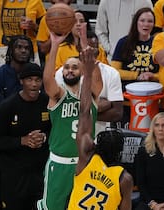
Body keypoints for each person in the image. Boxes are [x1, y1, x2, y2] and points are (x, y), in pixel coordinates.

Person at [37, 30, 101, 209]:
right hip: (60, 163)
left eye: (75, 67)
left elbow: (95, 77)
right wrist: (55, 45)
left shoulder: (91, 95)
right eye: (67, 67)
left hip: (86, 164)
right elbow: (47, 79)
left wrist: (85, 48)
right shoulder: (58, 95)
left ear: (82, 71)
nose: (70, 70)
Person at [67, 44, 133, 210]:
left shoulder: (85, 160)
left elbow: (84, 112)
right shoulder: (124, 178)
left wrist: (87, 75)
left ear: (95, 146)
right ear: (120, 152)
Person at [0, 63, 51, 210]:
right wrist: (21, 141)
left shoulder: (47, 102)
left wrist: (44, 137)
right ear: (21, 81)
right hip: (14, 173)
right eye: (29, 80)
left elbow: (56, 130)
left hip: (40, 171)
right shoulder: (7, 106)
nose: (34, 84)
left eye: (38, 80)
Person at [55, 31, 123, 134]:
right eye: (87, 48)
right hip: (67, 134)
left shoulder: (112, 73)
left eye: (94, 48)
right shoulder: (62, 73)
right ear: (78, 48)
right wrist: (101, 105)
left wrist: (82, 115)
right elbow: (60, 109)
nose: (91, 52)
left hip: (100, 135)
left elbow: (117, 113)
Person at [111, 7, 159, 127]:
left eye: (150, 21)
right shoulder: (123, 42)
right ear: (136, 22)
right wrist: (137, 75)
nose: (146, 24)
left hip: (151, 102)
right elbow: (114, 71)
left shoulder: (158, 43)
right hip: (126, 102)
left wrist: (153, 76)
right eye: (142, 20)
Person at [0, 35, 34, 115]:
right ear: (11, 51)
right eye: (19, 47)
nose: (23, 51)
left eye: (27, 48)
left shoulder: (36, 75)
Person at [0, 0, 46, 68]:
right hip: (3, 49)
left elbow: (44, 28)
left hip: (28, 50)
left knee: (30, 77)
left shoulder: (35, 1)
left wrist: (33, 26)